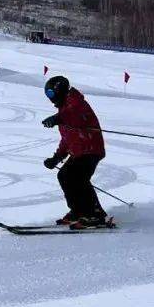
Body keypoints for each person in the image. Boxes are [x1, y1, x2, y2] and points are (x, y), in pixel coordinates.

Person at [42, 76, 107, 228]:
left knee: (77, 177)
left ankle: (94, 214)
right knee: (64, 175)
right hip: (79, 152)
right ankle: (78, 211)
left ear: (59, 90)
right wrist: (56, 158)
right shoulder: (64, 107)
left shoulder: (76, 103)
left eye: (51, 94)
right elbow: (66, 139)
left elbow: (75, 116)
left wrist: (58, 118)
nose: (50, 99)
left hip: (91, 149)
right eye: (48, 95)